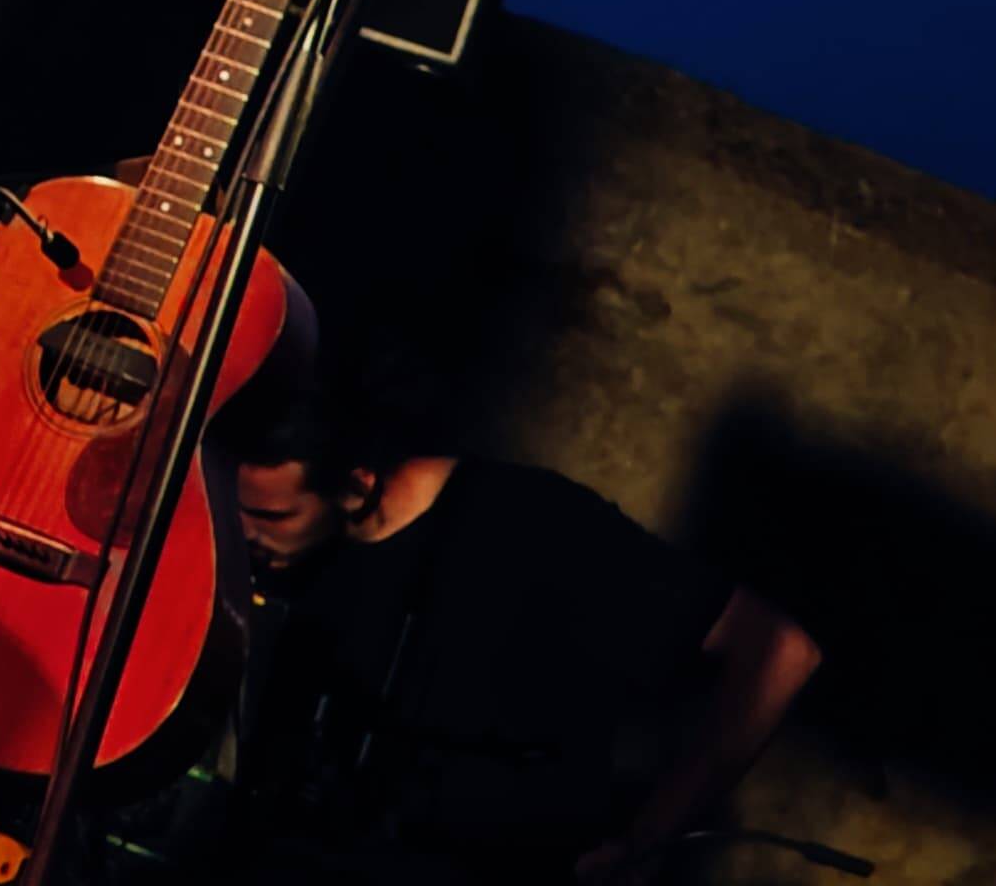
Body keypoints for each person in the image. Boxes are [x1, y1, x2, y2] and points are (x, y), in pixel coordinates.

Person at [217, 374, 824, 886]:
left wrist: (650, 836)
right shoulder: (304, 562)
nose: (246, 533)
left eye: (272, 515)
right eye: (238, 510)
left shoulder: (530, 522)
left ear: (357, 487)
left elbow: (782, 653)